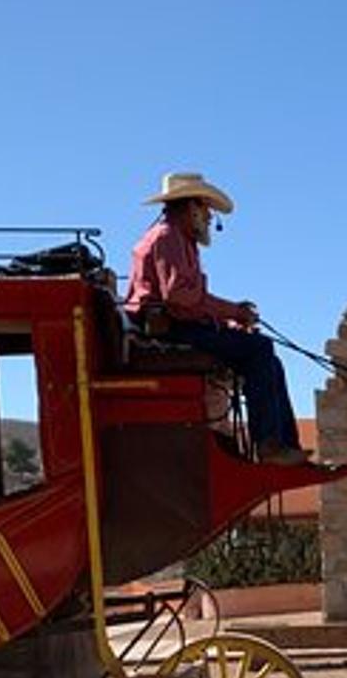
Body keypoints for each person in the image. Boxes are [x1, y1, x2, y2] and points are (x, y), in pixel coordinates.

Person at [124, 171, 309, 465]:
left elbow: (189, 301)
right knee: (258, 349)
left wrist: (227, 319)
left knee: (266, 357)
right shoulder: (169, 237)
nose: (210, 217)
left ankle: (285, 445)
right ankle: (269, 445)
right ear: (192, 207)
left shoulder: (177, 238)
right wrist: (234, 312)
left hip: (177, 324)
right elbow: (180, 298)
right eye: (206, 209)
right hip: (169, 330)